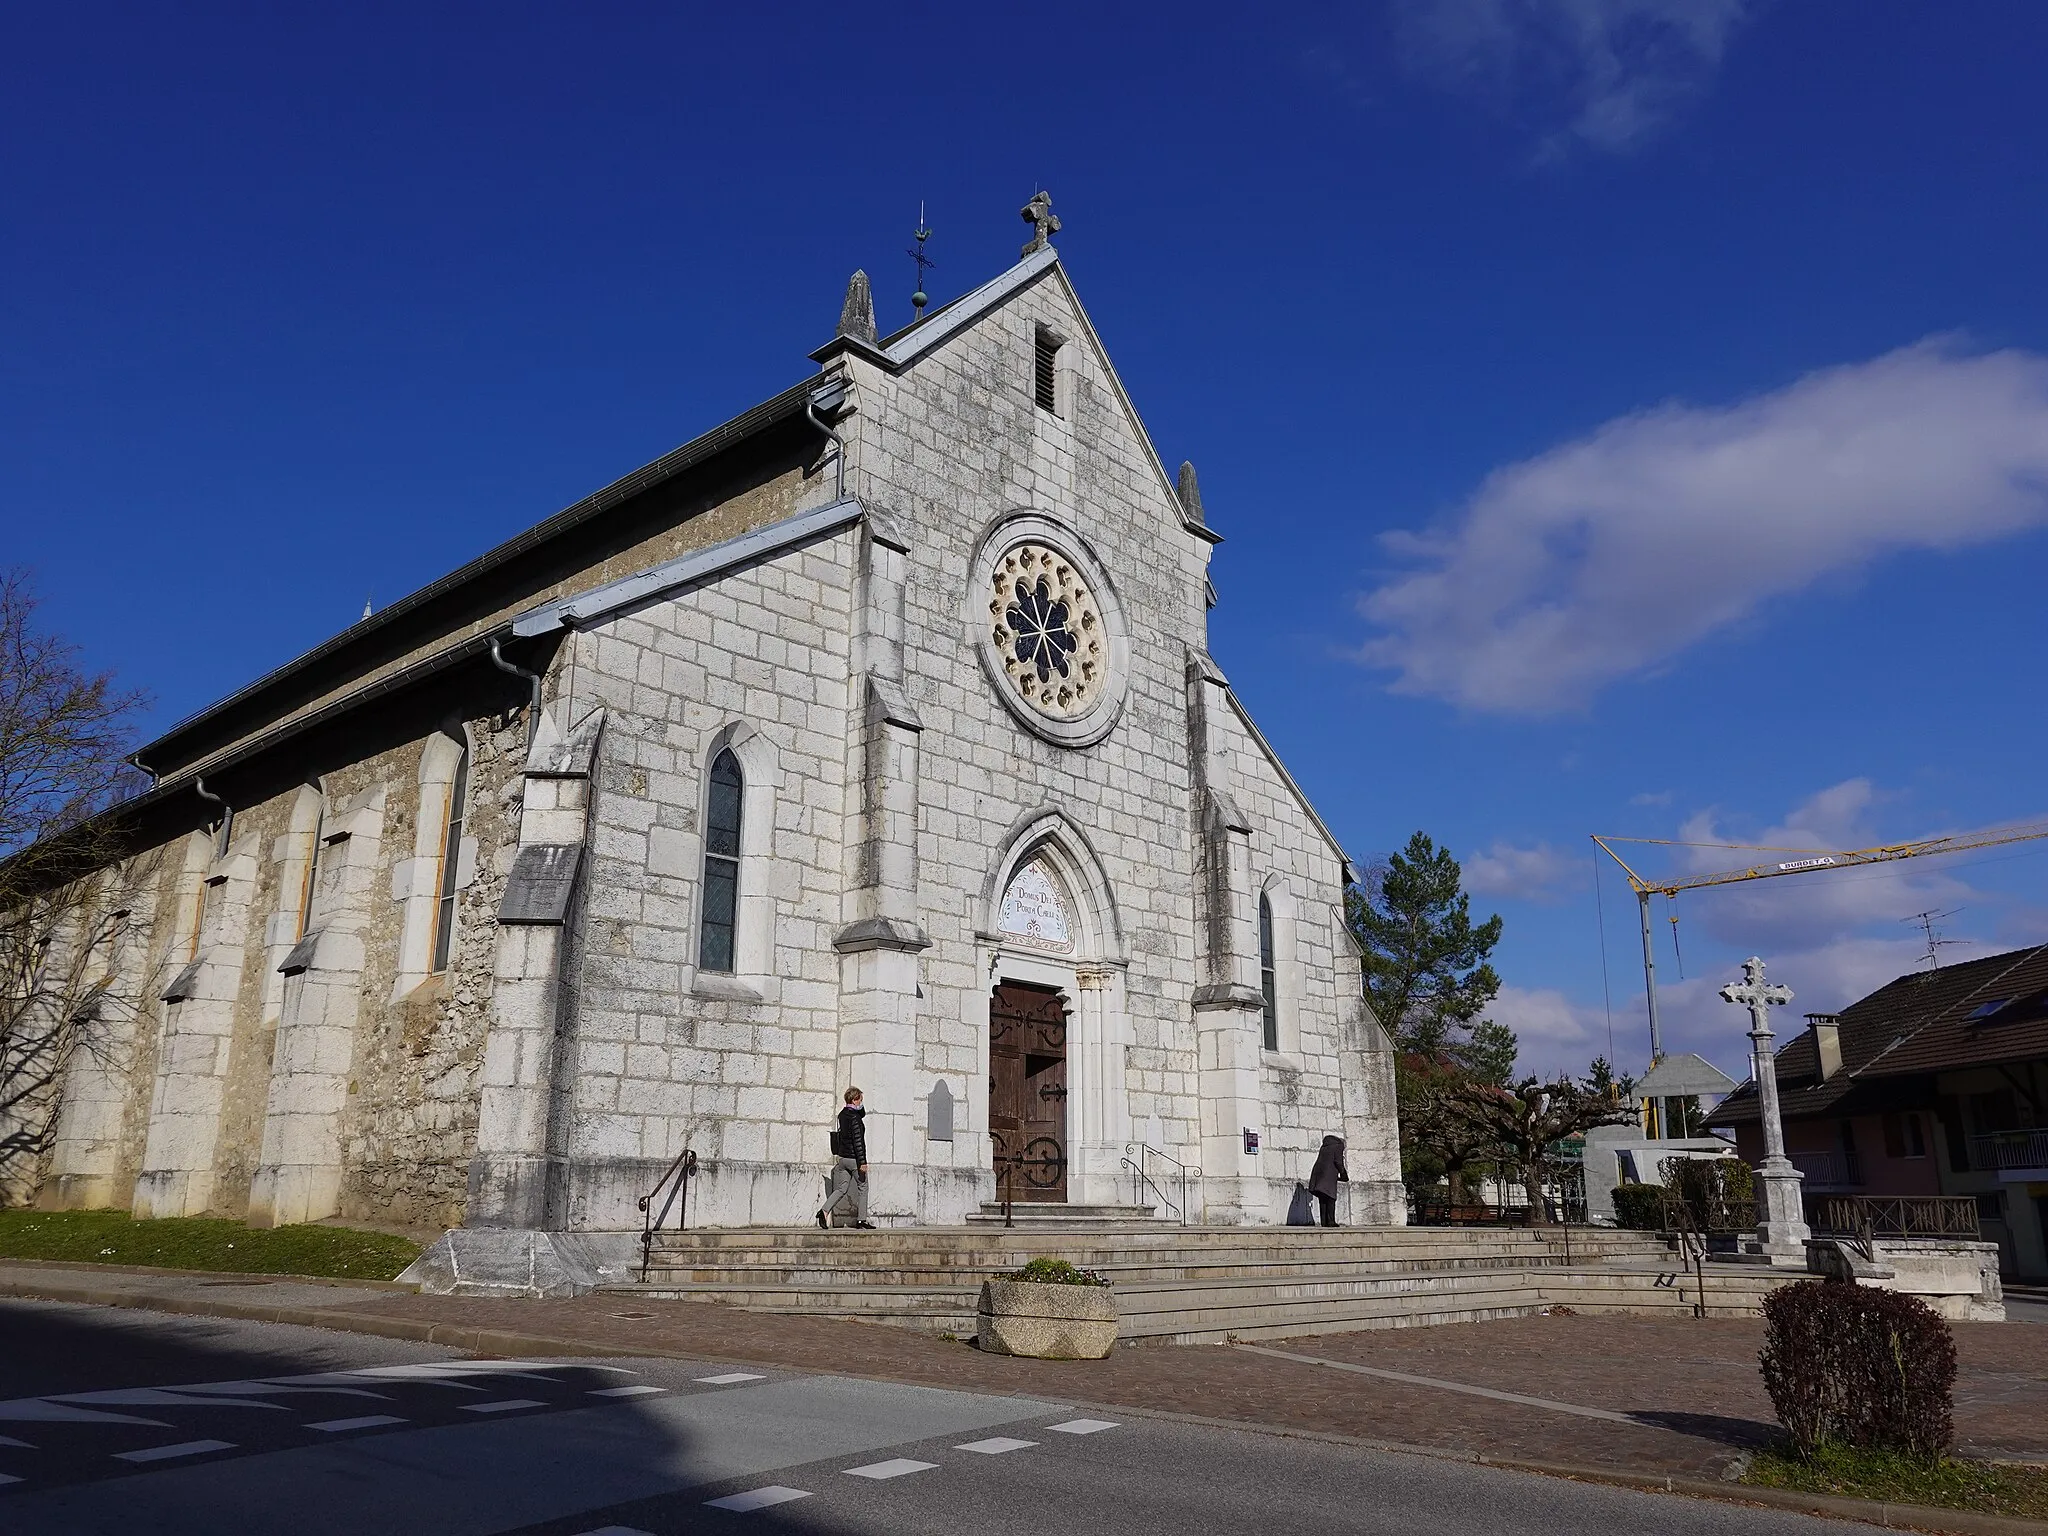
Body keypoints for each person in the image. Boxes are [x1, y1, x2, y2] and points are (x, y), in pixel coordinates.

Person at [817, 1086, 874, 1229]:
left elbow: (862, 1113)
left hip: (842, 1158)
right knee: (863, 1187)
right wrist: (863, 1162)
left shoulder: (843, 1114)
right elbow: (858, 1141)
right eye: (860, 1100)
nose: (862, 1102)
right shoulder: (855, 1118)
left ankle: (824, 1211)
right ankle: (861, 1220)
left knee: (841, 1189)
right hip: (854, 1159)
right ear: (855, 1100)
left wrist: (857, 1105)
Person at [1307, 1134, 1348, 1227]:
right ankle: (1331, 1221)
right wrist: (1344, 1174)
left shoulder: (1324, 1147)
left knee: (1323, 1198)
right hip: (1328, 1176)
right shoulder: (1338, 1146)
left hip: (1318, 1175)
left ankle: (1324, 1222)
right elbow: (1338, 1162)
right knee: (1330, 1198)